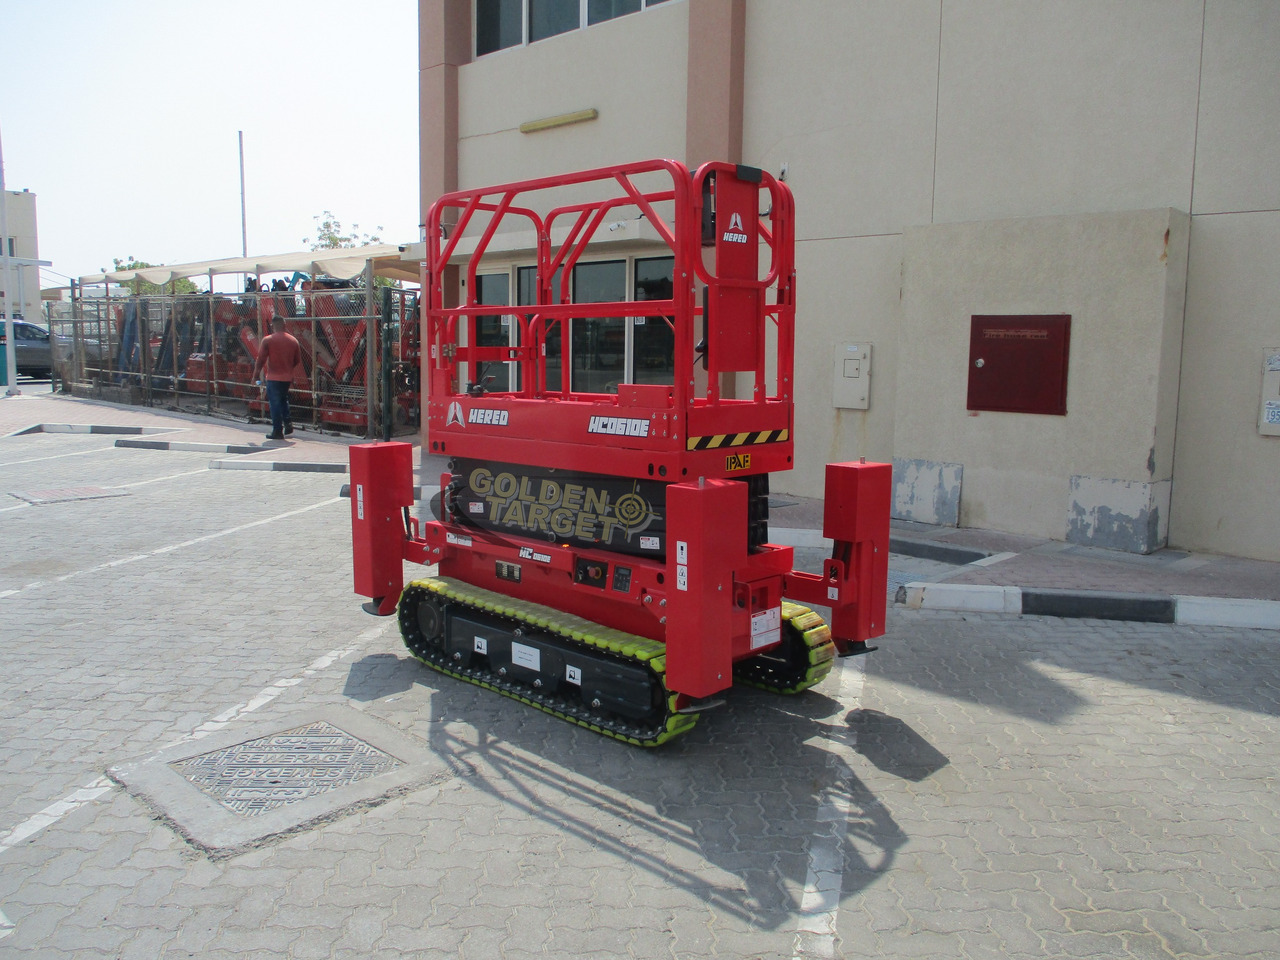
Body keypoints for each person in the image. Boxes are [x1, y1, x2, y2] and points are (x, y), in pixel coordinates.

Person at [252, 317, 304, 440]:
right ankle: (288, 423)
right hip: (287, 377)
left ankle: (277, 430)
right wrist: (288, 368)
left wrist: (255, 376)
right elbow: (297, 360)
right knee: (283, 399)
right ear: (284, 325)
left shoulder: (268, 340)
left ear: (272, 325)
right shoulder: (293, 341)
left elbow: (260, 360)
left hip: (273, 377)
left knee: (274, 403)